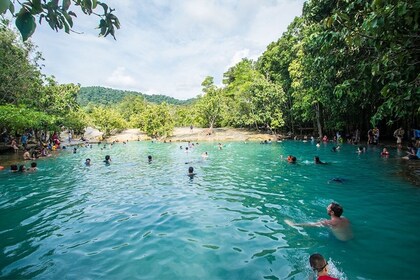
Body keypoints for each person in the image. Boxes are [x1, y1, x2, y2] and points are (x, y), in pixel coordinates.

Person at [287, 202, 353, 241]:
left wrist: (294, 224)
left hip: (341, 241)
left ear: (332, 212)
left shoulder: (330, 222)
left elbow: (311, 225)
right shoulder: (344, 218)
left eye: (328, 208)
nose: (326, 208)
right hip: (351, 238)